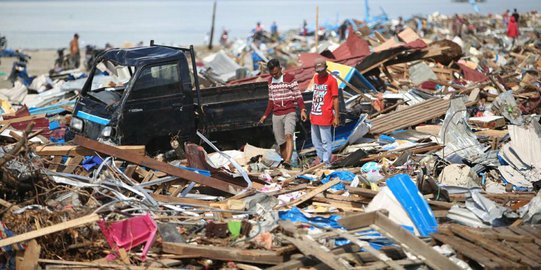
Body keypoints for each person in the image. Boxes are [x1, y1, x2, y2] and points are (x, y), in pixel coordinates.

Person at [259, 59, 307, 168]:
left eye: (276, 73)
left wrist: (303, 109)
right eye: (272, 74)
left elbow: (298, 96)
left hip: (289, 111)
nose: (274, 76)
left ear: (280, 69)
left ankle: (288, 161)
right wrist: (265, 115)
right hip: (276, 114)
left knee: (289, 135)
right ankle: (286, 163)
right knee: (281, 142)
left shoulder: (289, 78)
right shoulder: (270, 81)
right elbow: (271, 100)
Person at [310, 58, 339, 167]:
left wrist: (337, 116)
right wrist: (311, 111)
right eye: (318, 71)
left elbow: (335, 98)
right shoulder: (316, 78)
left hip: (325, 114)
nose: (320, 73)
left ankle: (326, 163)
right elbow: (315, 95)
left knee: (326, 141)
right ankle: (320, 159)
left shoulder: (332, 80)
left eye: (322, 70)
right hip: (315, 113)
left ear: (326, 68)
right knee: (315, 140)